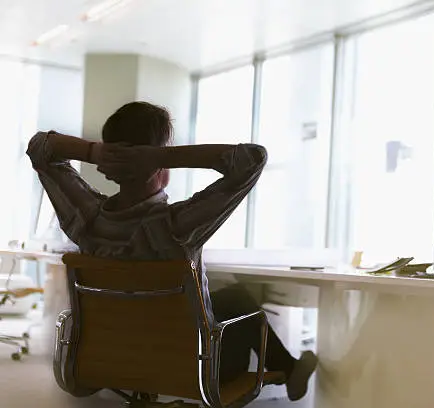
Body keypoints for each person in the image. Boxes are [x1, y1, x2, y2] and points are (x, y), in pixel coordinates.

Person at [26, 101, 317, 401]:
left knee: (232, 299)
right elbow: (253, 158)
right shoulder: (176, 227)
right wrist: (161, 156)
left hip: (109, 360)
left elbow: (39, 147)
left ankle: (292, 368)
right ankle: (290, 368)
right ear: (159, 162)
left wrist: (94, 152)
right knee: (241, 305)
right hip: (188, 369)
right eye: (166, 150)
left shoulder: (87, 220)